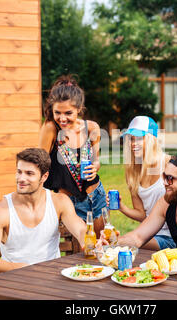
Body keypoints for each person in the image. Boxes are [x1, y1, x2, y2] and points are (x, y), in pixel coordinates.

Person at [0, 148, 87, 277]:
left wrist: (88, 241)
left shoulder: (59, 202)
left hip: (54, 278)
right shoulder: (1, 211)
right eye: (19, 172)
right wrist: (18, 268)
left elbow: (80, 230)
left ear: (44, 177)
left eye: (29, 173)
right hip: (17, 281)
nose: (21, 178)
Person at [103, 153, 177, 252]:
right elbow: (138, 237)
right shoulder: (166, 203)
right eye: (164, 176)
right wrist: (111, 243)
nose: (165, 182)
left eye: (170, 178)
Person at [38, 74, 106, 237]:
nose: (62, 118)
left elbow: (96, 160)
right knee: (82, 252)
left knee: (104, 246)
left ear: (79, 109)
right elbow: (39, 165)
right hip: (70, 202)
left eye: (68, 113)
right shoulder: (51, 128)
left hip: (96, 195)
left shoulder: (91, 127)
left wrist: (96, 166)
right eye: (57, 112)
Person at [112, 115, 174, 250]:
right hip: (149, 233)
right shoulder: (132, 173)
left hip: (172, 236)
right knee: (120, 243)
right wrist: (122, 208)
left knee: (121, 244)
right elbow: (142, 215)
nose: (134, 144)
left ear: (152, 140)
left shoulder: (169, 164)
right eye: (131, 139)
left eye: (139, 138)